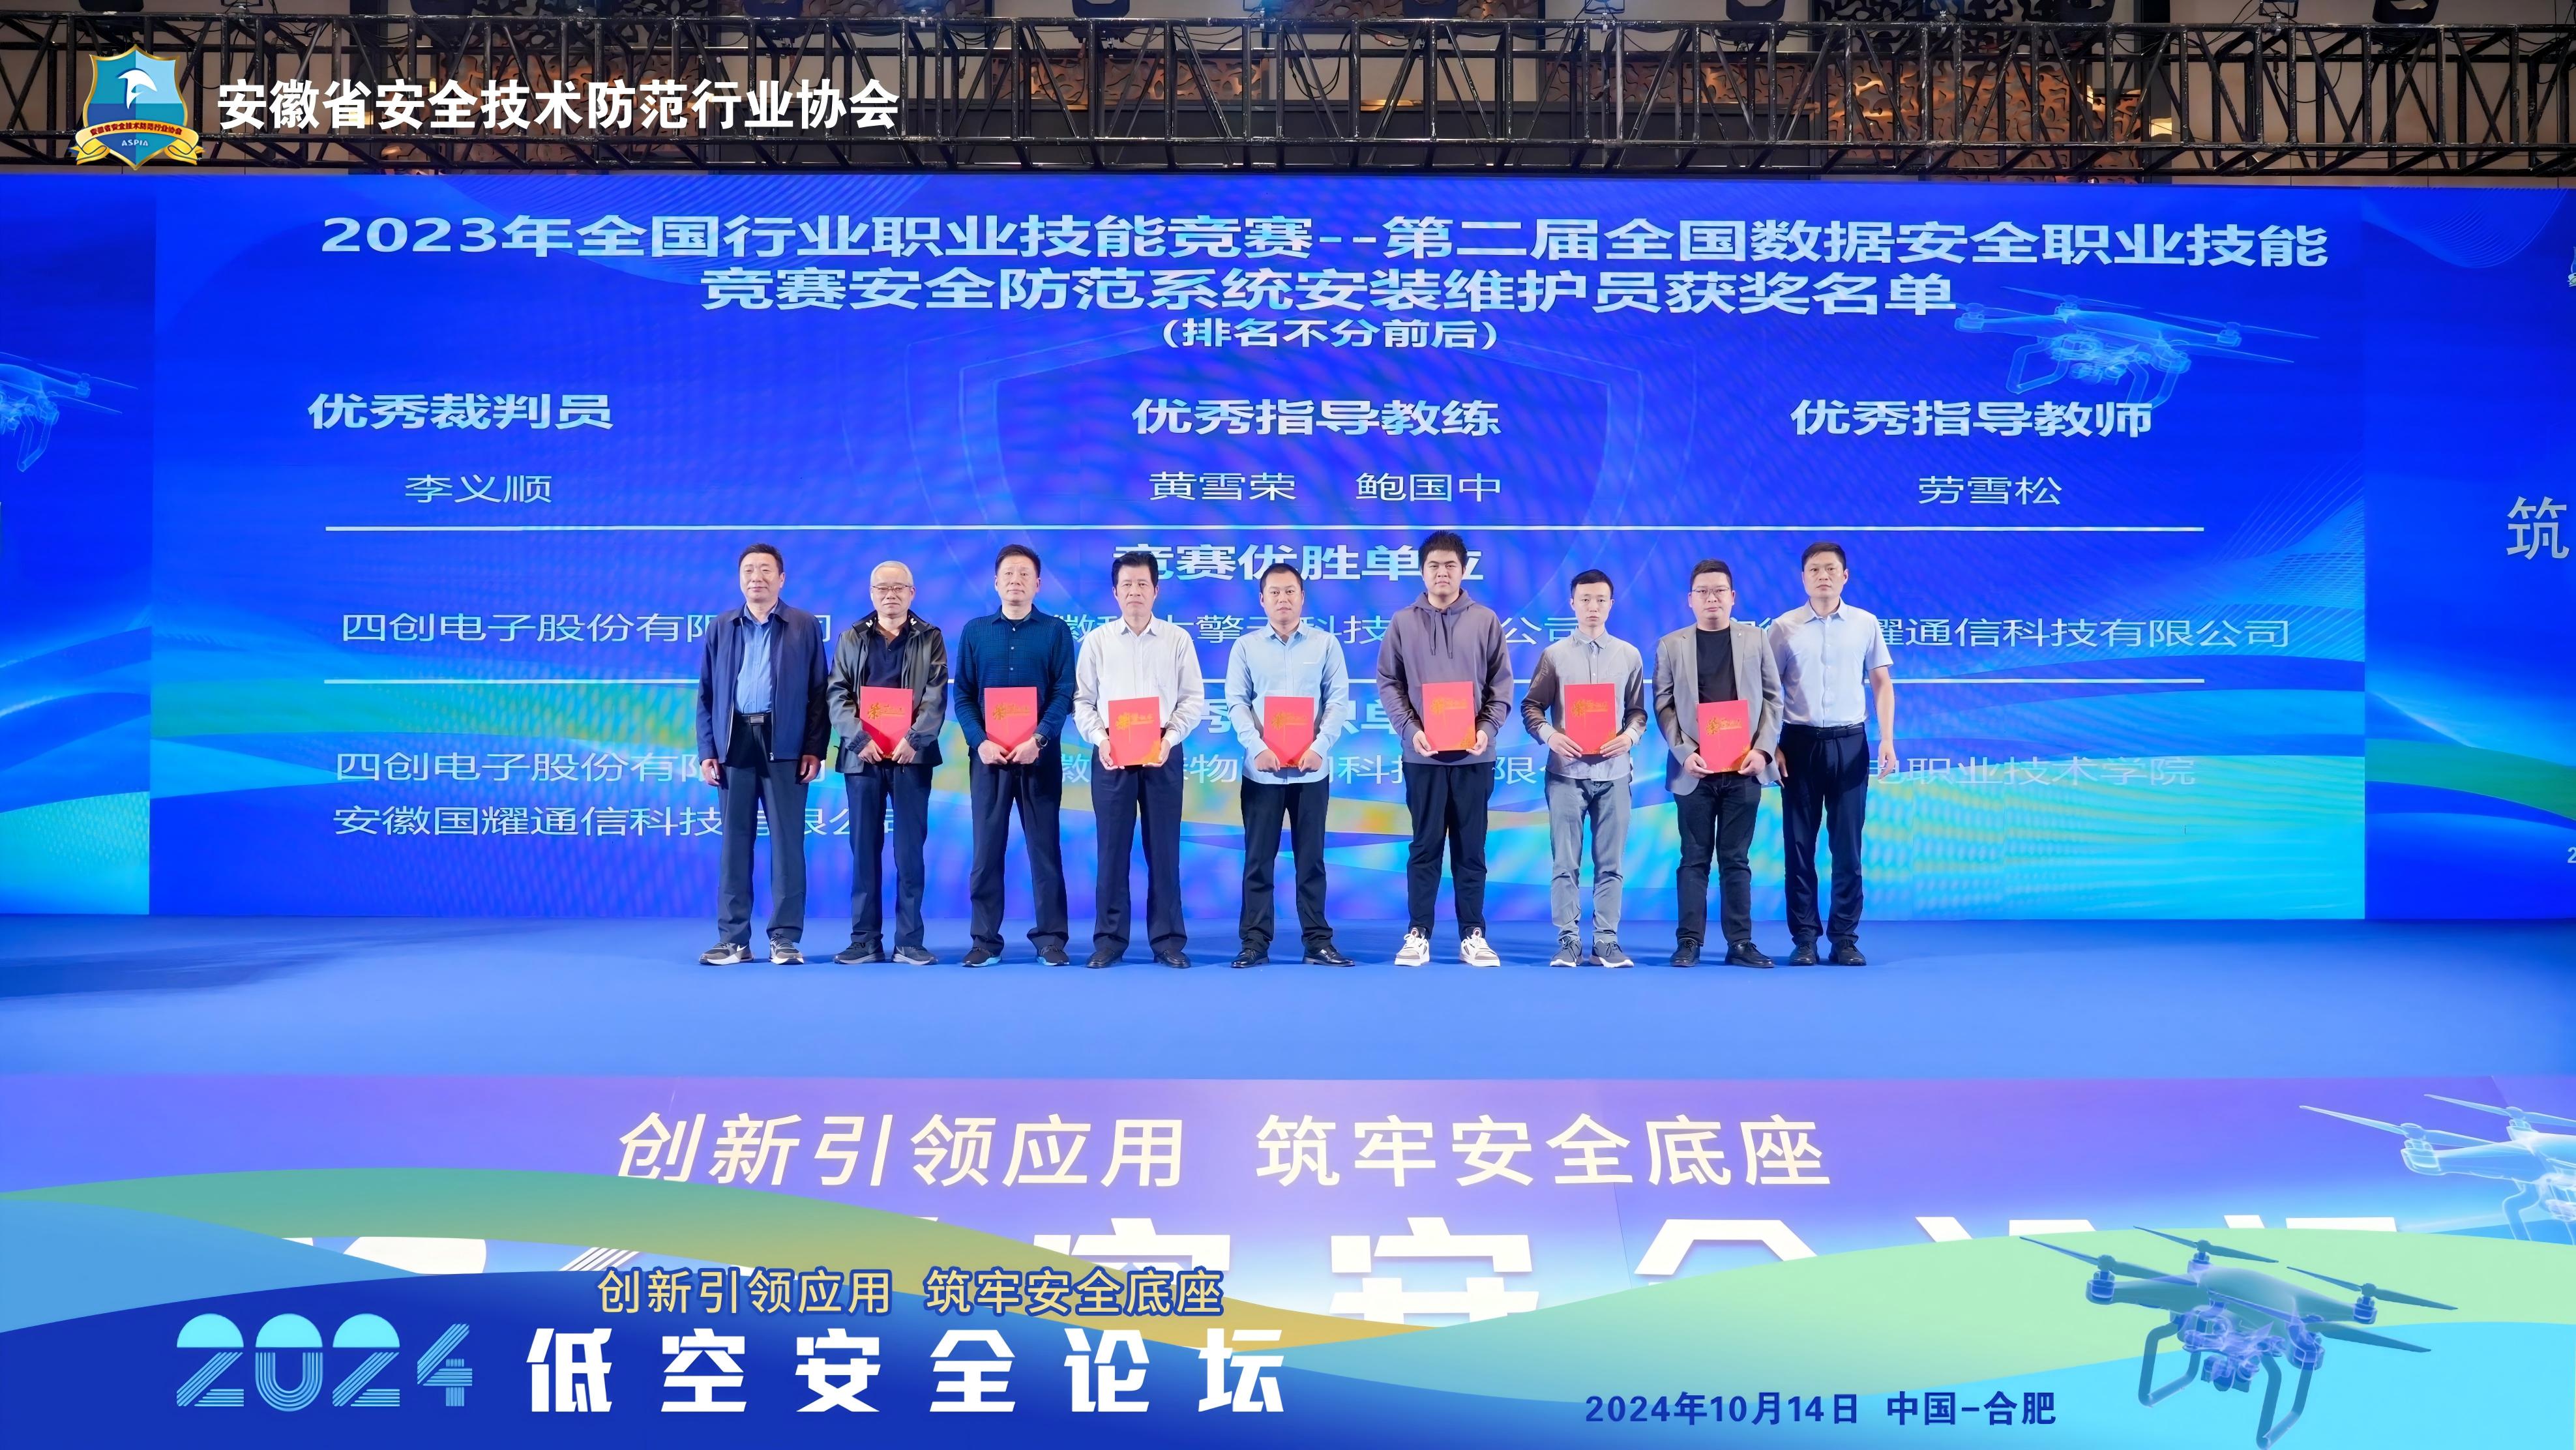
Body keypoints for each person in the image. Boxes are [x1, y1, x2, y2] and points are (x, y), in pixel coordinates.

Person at [1375, 529, 1514, 968]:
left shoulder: (1485, 620)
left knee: (1471, 850)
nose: (1442, 572)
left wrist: (1486, 728)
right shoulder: (1403, 622)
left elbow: (1501, 685)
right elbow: (1388, 681)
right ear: (1422, 571)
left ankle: (1473, 933)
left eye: (1450, 565)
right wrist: (1409, 728)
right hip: (1423, 756)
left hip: (1474, 756)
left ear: (1463, 570)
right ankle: (1418, 932)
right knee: (1424, 847)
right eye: (1433, 565)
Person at [695, 542, 828, 966]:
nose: (757, 577)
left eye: (766, 570)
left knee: (788, 844)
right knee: (734, 845)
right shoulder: (722, 626)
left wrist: (814, 748)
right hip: (733, 742)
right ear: (740, 579)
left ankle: (784, 938)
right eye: (749, 570)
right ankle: (734, 939)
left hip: (784, 742)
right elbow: (706, 694)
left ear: (781, 579)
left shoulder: (803, 625)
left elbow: (819, 693)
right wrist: (707, 749)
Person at [1766, 542, 1898, 967]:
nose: (1822, 576)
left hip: (1850, 743)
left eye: (1830, 569)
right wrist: (1770, 745)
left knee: (1847, 849)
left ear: (1845, 576)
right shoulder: (1783, 627)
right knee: (1798, 848)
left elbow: (1881, 683)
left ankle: (1844, 938)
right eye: (1814, 570)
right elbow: (1766, 691)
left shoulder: (1865, 624)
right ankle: (1804, 938)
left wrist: (1887, 739)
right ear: (1802, 578)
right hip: (1798, 745)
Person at [1074, 550, 1205, 969]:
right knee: (1111, 850)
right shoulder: (1097, 641)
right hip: (1112, 753)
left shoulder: (1177, 640)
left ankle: (1167, 940)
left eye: (1142, 584)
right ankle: (1109, 940)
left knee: (1164, 850)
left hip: (1162, 751)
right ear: (1115, 593)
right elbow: (1082, 701)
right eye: (1127, 585)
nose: (1134, 592)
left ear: (1156, 591)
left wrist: (1170, 738)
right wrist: (1100, 739)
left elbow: (1193, 700)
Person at [1223, 562, 1355, 969]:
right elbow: (1236, 703)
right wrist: (1257, 747)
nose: (1283, 599)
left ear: (1302, 597)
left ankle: (1317, 941)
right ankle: (1254, 943)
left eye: (1290, 591)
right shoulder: (1246, 647)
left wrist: (1320, 747)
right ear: (1262, 600)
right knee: (1258, 861)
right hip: (1262, 772)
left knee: (1311, 861)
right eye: (1275, 592)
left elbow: (1337, 701)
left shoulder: (1325, 644)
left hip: (1311, 771)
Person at [953, 543, 1078, 968]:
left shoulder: (1055, 631)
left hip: (1038, 757)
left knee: (1045, 850)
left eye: (1024, 574)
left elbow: (1064, 692)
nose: (1016, 581)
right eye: (1008, 574)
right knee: (986, 851)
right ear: (995, 582)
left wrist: (1039, 739)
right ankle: (984, 940)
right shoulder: (975, 631)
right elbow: (963, 695)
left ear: (1038, 584)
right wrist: (979, 742)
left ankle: (1051, 939)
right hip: (988, 758)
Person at [1655, 559, 1784, 968]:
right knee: (1693, 858)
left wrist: (1763, 751)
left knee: (1736, 859)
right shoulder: (1671, 644)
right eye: (1703, 592)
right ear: (1690, 600)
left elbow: (1773, 699)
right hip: (1695, 769)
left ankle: (1740, 943)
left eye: (1719, 591)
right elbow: (1663, 705)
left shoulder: (1756, 639)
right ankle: (1689, 941)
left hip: (1744, 767)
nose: (1711, 598)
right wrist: (1683, 752)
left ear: (1733, 597)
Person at [1520, 570, 1648, 968]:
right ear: (1572, 604)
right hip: (1566, 773)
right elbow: (1531, 707)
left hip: (1614, 773)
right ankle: (1569, 940)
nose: (1593, 607)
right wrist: (1549, 735)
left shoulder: (1629, 655)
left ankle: (1607, 941)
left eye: (1601, 600)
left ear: (1611, 604)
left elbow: (1638, 711)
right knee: (1565, 863)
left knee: (1612, 865)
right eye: (1586, 600)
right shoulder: (1554, 655)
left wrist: (1630, 737)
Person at [826, 560, 947, 966]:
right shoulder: (852, 637)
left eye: (898, 588)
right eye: (882, 588)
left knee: (909, 852)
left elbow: (935, 695)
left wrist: (915, 739)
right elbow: (837, 693)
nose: (890, 595)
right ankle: (865, 940)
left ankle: (909, 940)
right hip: (863, 757)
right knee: (864, 851)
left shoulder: (930, 637)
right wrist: (858, 739)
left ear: (912, 593)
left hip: (911, 758)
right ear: (871, 593)